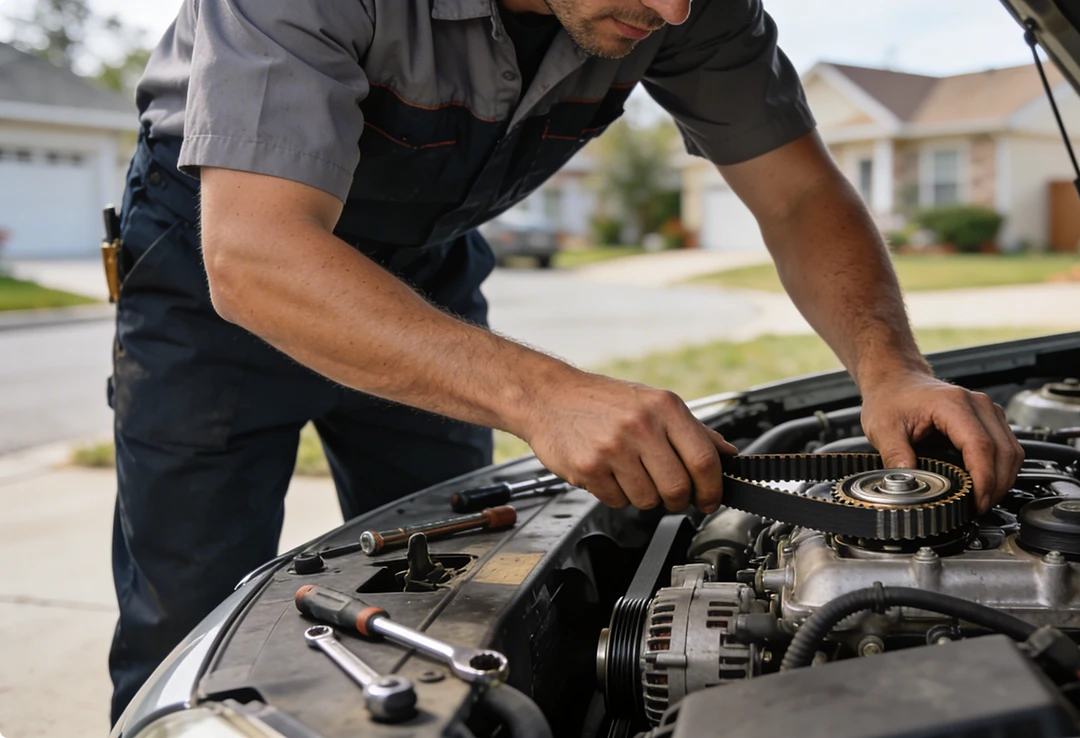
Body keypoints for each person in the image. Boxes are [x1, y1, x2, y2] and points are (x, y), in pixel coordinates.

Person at [107, 0, 1024, 721]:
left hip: (423, 273)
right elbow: (255, 258)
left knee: (453, 589)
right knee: (188, 622)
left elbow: (795, 195)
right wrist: (541, 393)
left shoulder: (691, 5)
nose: (673, 12)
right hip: (213, 265)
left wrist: (891, 364)